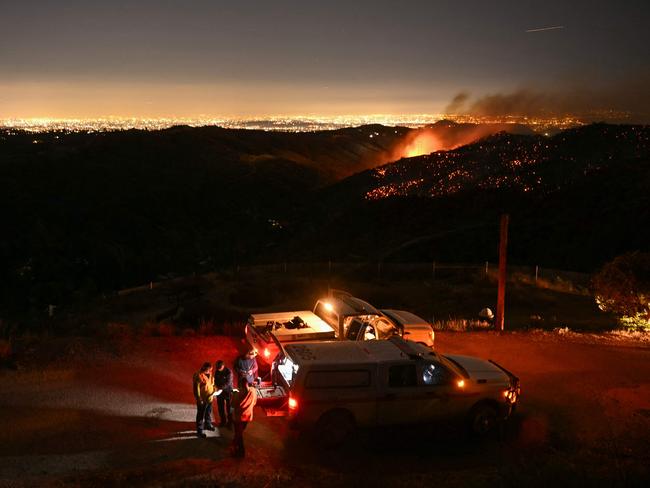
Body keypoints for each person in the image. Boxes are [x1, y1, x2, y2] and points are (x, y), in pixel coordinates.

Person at [231, 380, 258, 458]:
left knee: (239, 434)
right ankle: (236, 444)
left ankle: (240, 452)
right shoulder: (253, 391)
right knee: (241, 431)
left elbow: (233, 405)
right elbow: (255, 402)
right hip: (248, 416)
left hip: (239, 417)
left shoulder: (237, 394)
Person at [192, 362, 216, 438]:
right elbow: (196, 389)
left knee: (208, 412)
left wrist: (214, 390)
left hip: (210, 398)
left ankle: (208, 424)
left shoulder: (210, 374)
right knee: (200, 415)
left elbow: (212, 383)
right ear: (206, 370)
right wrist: (199, 399)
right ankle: (199, 431)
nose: (211, 371)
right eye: (210, 370)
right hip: (203, 399)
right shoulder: (198, 376)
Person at [213, 359, 233, 427]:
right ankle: (223, 421)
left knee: (229, 408)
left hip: (228, 392)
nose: (218, 369)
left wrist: (220, 389)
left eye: (220, 368)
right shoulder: (217, 371)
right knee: (220, 408)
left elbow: (228, 383)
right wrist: (215, 387)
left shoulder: (229, 372)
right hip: (220, 392)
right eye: (217, 368)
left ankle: (230, 422)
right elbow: (215, 380)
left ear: (223, 366)